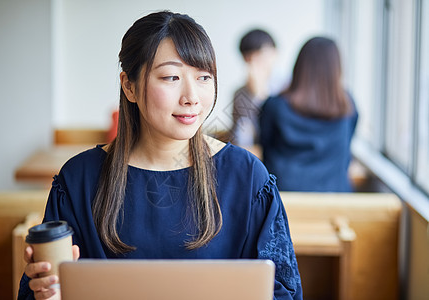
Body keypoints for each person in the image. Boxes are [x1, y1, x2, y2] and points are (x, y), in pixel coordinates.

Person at [18, 11, 302, 300]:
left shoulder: (248, 177)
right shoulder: (79, 180)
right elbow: (43, 290)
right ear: (129, 85)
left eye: (204, 77)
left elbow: (283, 291)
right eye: (171, 77)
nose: (191, 96)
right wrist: (46, 293)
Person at [260, 36, 358, 192]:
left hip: (283, 201)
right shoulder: (347, 105)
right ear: (336, 68)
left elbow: (265, 146)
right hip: (336, 200)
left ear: (299, 66)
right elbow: (348, 144)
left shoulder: (275, 106)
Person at [231, 29, 280, 148]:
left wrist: (260, 94)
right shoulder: (240, 93)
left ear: (274, 53)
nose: (254, 63)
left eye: (260, 55)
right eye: (248, 58)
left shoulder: (287, 87)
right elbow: (241, 138)